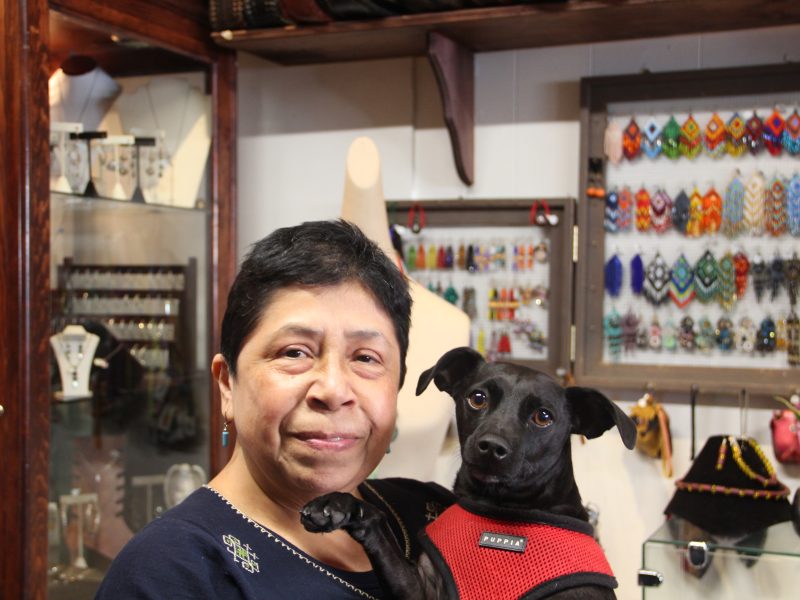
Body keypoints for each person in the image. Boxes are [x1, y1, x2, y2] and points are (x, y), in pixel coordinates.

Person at [95, 220, 454, 599]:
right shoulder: (168, 573)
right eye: (295, 352)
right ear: (227, 384)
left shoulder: (434, 519)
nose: (333, 391)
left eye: (366, 358)